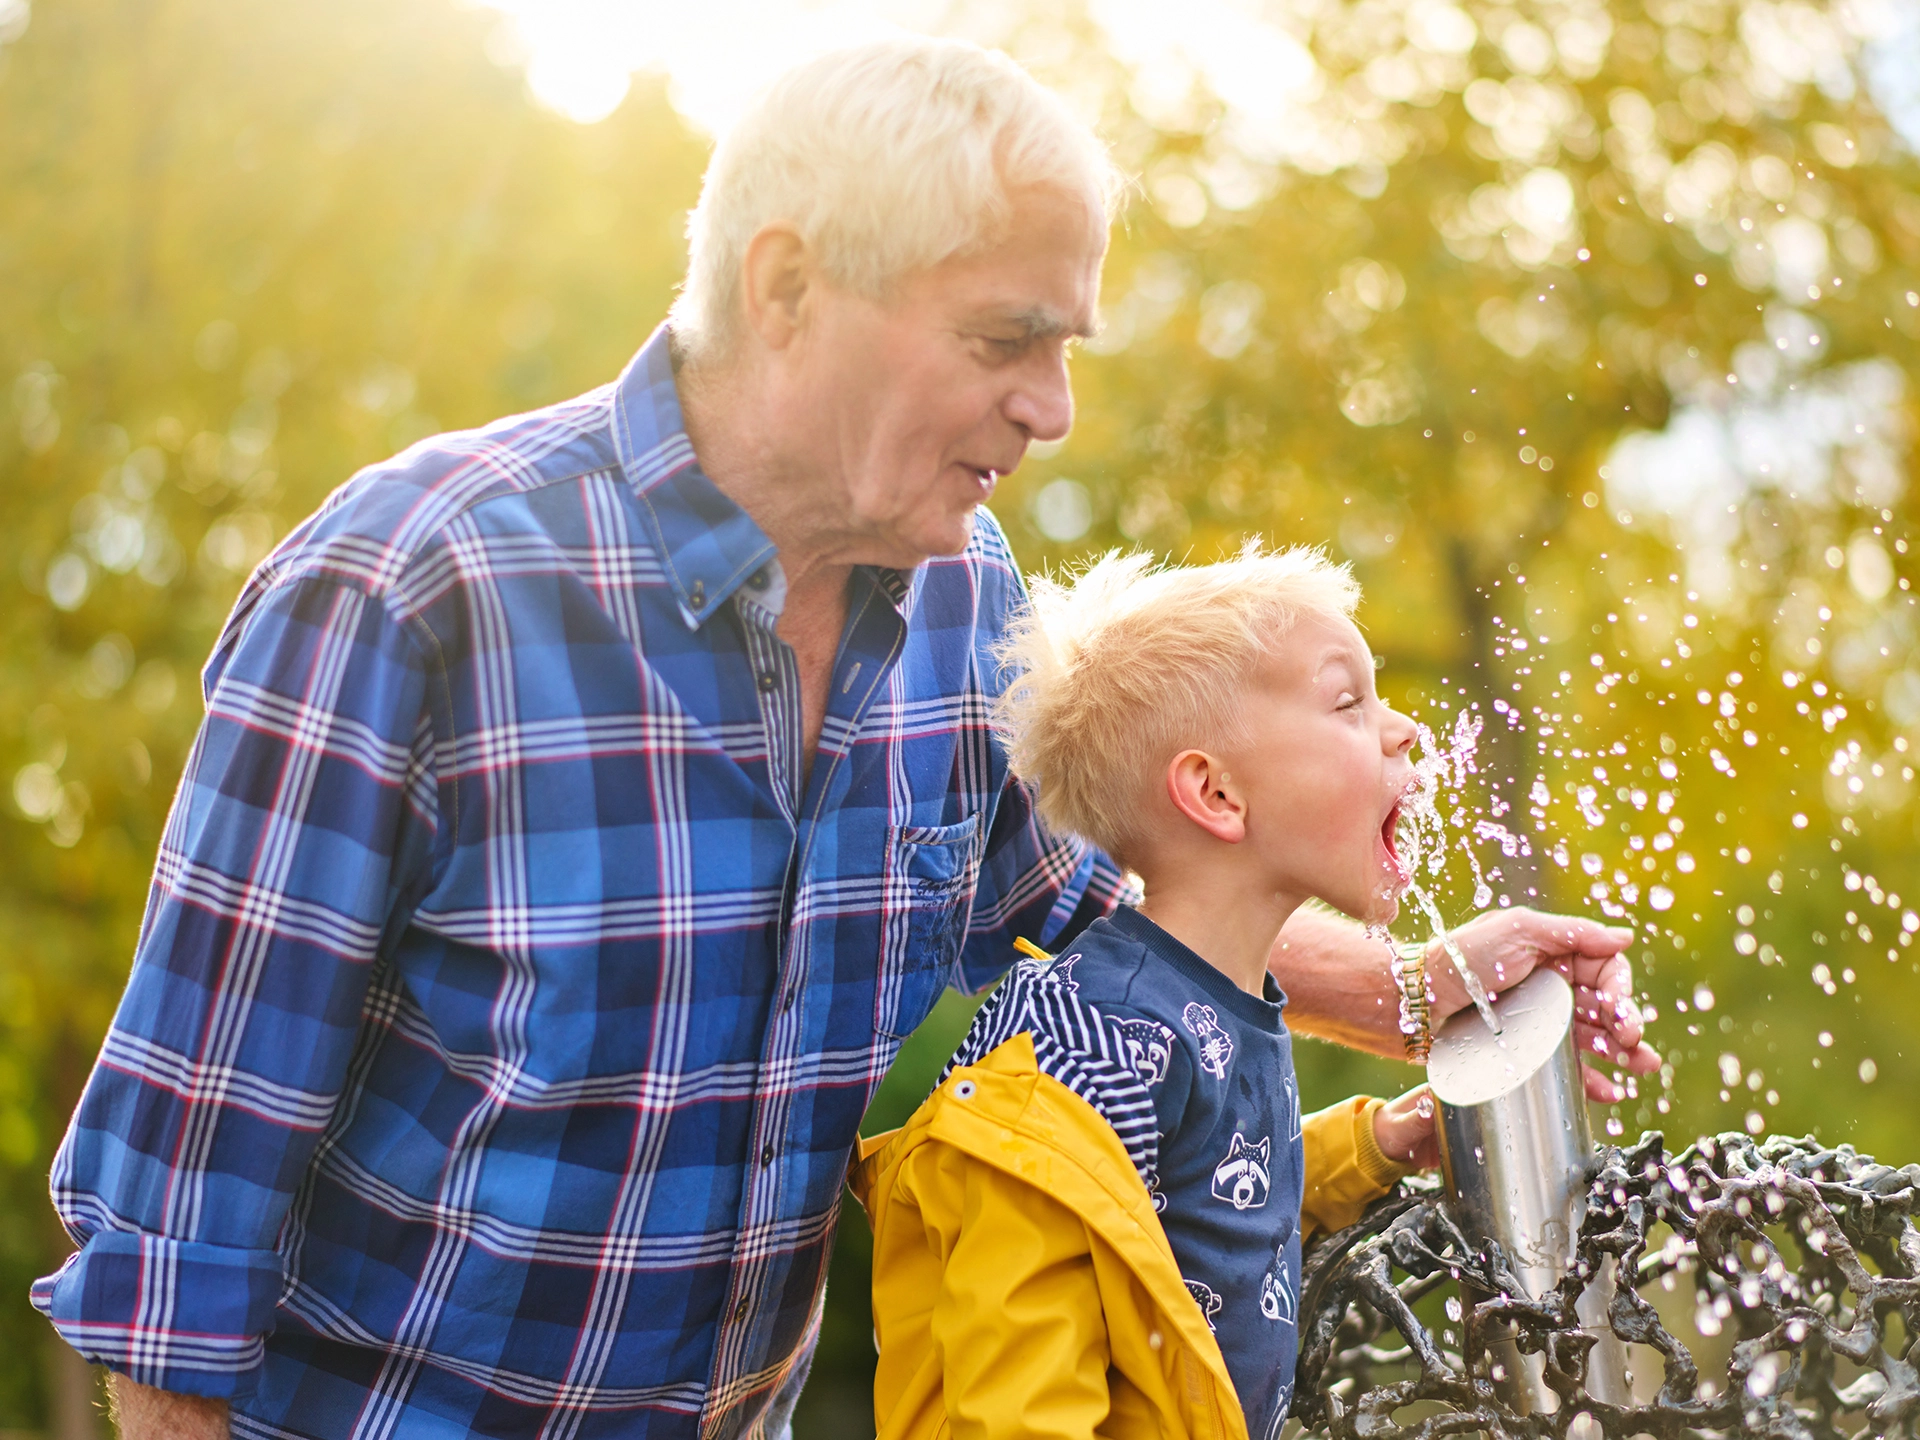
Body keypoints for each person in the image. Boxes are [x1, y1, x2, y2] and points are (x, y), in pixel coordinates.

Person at [32, 37, 1656, 1440]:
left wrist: (1424, 991)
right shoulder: (412, 588)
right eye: (1006, 339)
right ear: (790, 286)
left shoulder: (964, 611)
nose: (1053, 409)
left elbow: (1118, 918)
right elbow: (176, 1226)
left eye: (1065, 351)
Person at [853, 546, 1444, 1440]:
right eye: (1347, 701)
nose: (1402, 732)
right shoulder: (1082, 1049)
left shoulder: (1213, 1001)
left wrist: (1371, 1147)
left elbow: (1209, 1204)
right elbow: (1015, 1405)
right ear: (1215, 793)